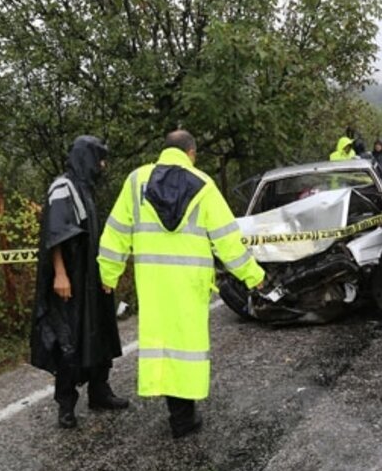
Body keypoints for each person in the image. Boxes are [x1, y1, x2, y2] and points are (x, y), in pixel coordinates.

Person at [97, 130, 266, 438]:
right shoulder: (204, 185)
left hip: (153, 282)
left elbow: (116, 232)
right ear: (191, 153)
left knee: (161, 342)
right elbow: (227, 241)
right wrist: (253, 275)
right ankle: (183, 416)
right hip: (190, 283)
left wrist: (108, 274)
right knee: (187, 346)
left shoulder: (136, 181)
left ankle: (177, 411)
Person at [31, 135, 127, 429]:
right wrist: (60, 274)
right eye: (99, 159)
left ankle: (99, 392)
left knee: (100, 332)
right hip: (71, 279)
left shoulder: (85, 188)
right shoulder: (63, 187)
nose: (103, 165)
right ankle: (66, 404)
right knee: (69, 340)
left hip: (92, 276)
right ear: (86, 157)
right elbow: (55, 233)